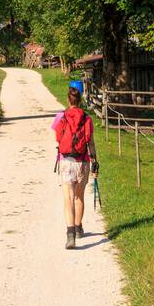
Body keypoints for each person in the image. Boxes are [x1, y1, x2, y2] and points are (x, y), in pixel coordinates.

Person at [52, 86, 97, 249]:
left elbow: (58, 138)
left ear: (67, 99)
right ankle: (78, 228)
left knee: (68, 199)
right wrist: (95, 160)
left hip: (66, 162)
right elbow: (90, 142)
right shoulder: (87, 118)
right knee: (79, 197)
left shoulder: (60, 117)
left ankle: (70, 235)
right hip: (83, 161)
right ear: (80, 100)